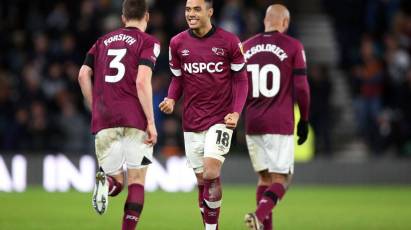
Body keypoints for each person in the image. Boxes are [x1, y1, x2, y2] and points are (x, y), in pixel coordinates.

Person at [159, 0, 248, 229]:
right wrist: (170, 98)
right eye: (188, 9)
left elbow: (241, 79)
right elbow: (177, 78)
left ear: (210, 12)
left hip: (220, 119)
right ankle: (212, 226)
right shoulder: (177, 43)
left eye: (196, 9)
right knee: (201, 182)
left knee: (210, 172)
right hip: (191, 121)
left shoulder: (229, 41)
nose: (191, 13)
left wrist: (236, 113)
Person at [78, 0, 160, 229]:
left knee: (116, 181)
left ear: (123, 18)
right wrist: (151, 122)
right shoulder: (149, 42)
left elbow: (83, 75)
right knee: (136, 183)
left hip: (105, 120)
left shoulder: (102, 42)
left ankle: (107, 185)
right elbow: (142, 81)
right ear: (147, 16)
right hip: (135, 121)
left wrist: (95, 106)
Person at [242, 4, 310, 230]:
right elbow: (301, 87)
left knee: (264, 179)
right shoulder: (293, 46)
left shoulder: (246, 47)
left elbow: (234, 86)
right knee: (281, 180)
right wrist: (305, 118)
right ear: (285, 23)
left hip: (253, 122)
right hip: (279, 122)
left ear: (265, 21)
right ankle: (259, 215)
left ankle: (263, 225)